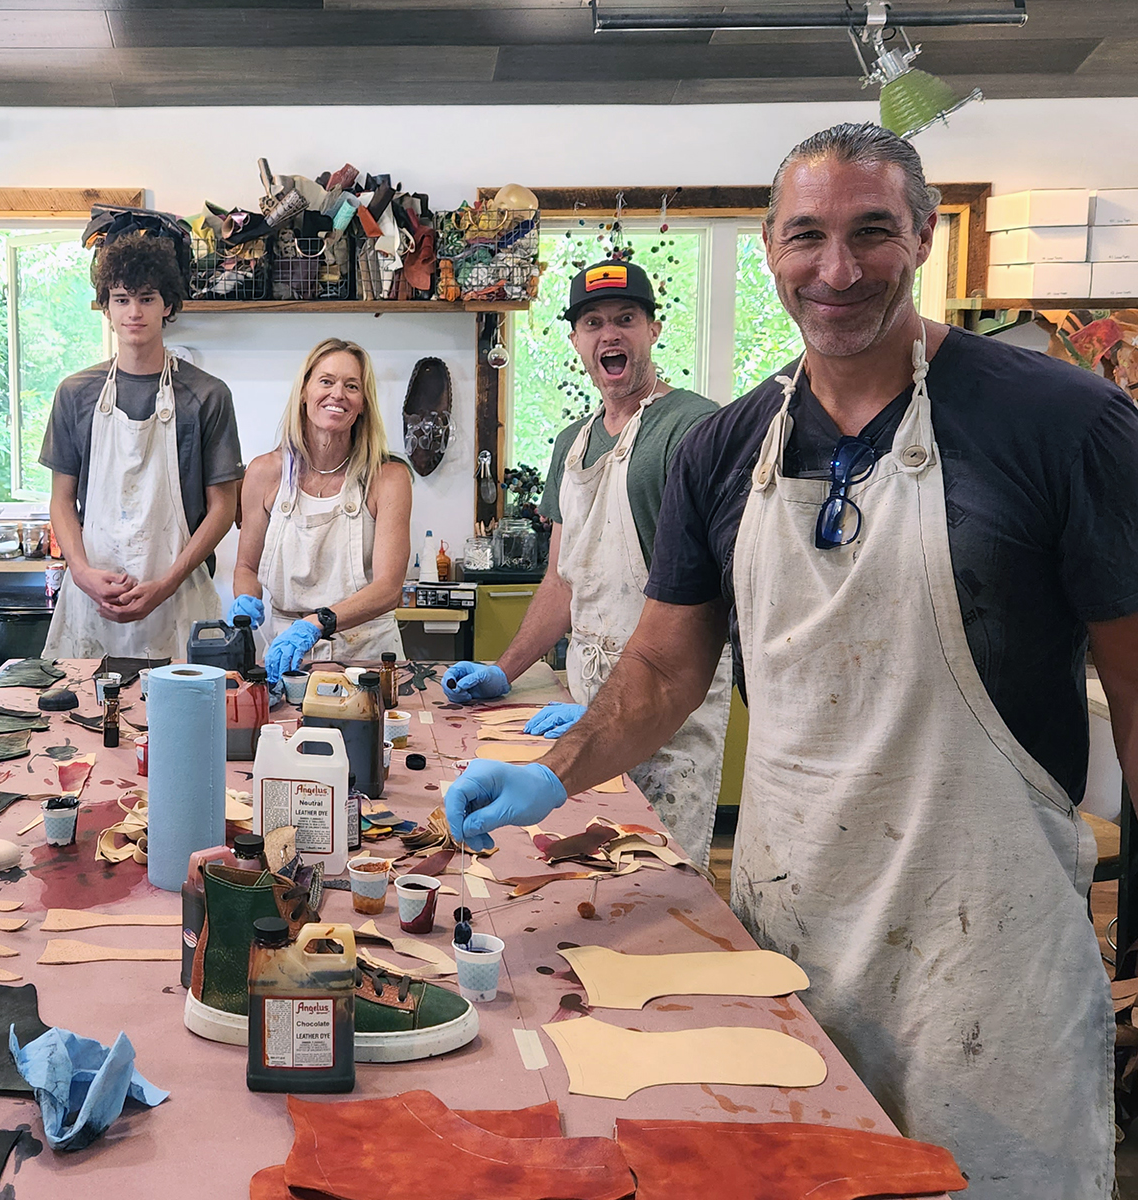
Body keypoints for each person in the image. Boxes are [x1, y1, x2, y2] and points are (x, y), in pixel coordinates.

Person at [446, 124, 1138, 1196]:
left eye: (871, 232)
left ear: (920, 239)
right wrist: (557, 770)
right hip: (789, 922)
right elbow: (667, 672)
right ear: (769, 247)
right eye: (806, 236)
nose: (837, 269)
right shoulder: (729, 451)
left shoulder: (1062, 423)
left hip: (989, 945)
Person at [441, 261, 727, 865]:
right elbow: (561, 578)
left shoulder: (696, 428)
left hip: (668, 703)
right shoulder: (572, 441)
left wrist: (623, 698)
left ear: (653, 329)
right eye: (593, 322)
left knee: (659, 877)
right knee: (578, 868)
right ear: (576, 342)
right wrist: (505, 669)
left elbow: (706, 595)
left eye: (626, 318)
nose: (609, 334)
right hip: (588, 695)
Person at [39, 232, 244, 662]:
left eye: (147, 299)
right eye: (121, 299)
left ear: (168, 305)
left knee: (183, 722)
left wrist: (167, 582)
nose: (134, 312)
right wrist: (80, 572)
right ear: (107, 308)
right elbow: (61, 500)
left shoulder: (207, 395)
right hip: (92, 596)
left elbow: (224, 507)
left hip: (179, 597)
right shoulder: (75, 394)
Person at [231, 338, 412, 680]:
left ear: (363, 404)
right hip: (287, 656)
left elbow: (389, 588)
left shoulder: (388, 478)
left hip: (369, 658)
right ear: (304, 392)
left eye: (352, 386)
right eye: (326, 381)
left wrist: (318, 623)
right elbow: (245, 567)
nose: (338, 394)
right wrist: (245, 600)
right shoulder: (264, 473)